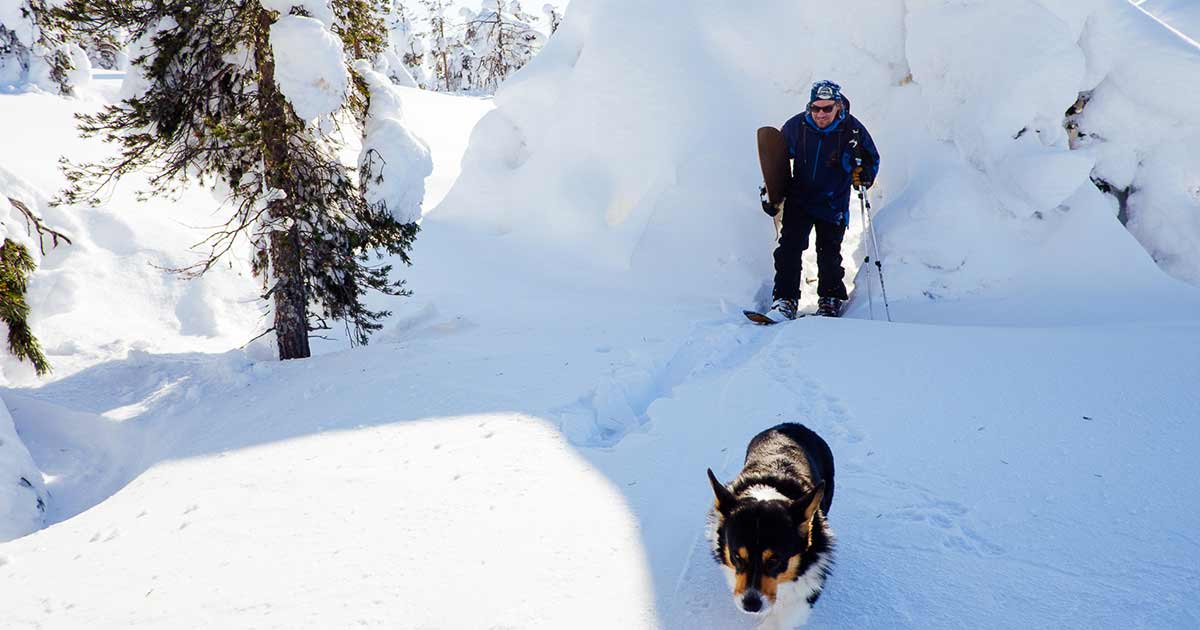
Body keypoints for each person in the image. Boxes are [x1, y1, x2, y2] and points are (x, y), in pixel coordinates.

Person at [765, 80, 880, 320]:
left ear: (838, 106)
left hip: (833, 202)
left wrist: (864, 176)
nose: (821, 114)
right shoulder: (797, 126)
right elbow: (778, 159)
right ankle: (785, 300)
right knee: (789, 249)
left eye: (827, 108)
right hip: (800, 199)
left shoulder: (852, 130)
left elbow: (871, 159)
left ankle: (830, 298)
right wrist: (771, 192)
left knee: (828, 253)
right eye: (816, 108)